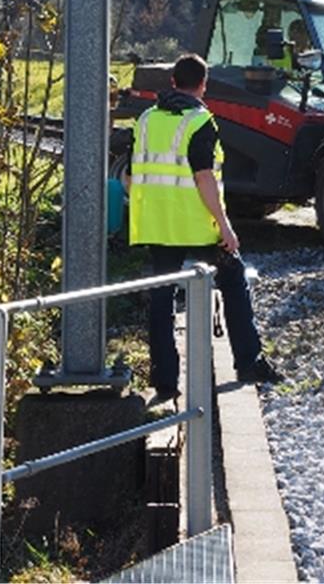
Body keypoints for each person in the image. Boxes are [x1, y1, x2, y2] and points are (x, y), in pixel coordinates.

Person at [128, 54, 282, 400]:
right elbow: (204, 178)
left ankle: (165, 381)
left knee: (161, 298)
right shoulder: (200, 122)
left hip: (157, 224)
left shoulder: (147, 119)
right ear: (203, 85)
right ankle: (248, 360)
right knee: (233, 278)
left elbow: (129, 176)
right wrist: (225, 227)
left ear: (171, 83)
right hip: (197, 224)